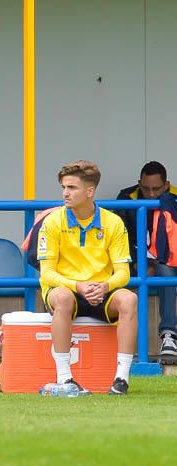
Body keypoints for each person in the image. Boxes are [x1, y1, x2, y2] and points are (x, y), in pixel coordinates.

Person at [38, 160, 136, 395]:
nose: (65, 193)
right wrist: (77, 286)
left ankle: (121, 379)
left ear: (89, 192)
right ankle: (65, 378)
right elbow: (47, 274)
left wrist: (104, 286)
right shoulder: (52, 222)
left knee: (129, 299)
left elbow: (123, 273)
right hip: (66, 290)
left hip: (102, 290)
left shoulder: (113, 223)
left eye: (71, 188)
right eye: (64, 187)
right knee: (61, 297)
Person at [117, 161, 177, 356]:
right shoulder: (126, 197)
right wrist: (138, 261)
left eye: (156, 189)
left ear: (167, 185)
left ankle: (168, 334)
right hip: (135, 261)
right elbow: (119, 237)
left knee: (165, 270)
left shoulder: (175, 198)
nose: (151, 194)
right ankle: (113, 346)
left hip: (169, 261)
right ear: (138, 183)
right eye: (146, 188)